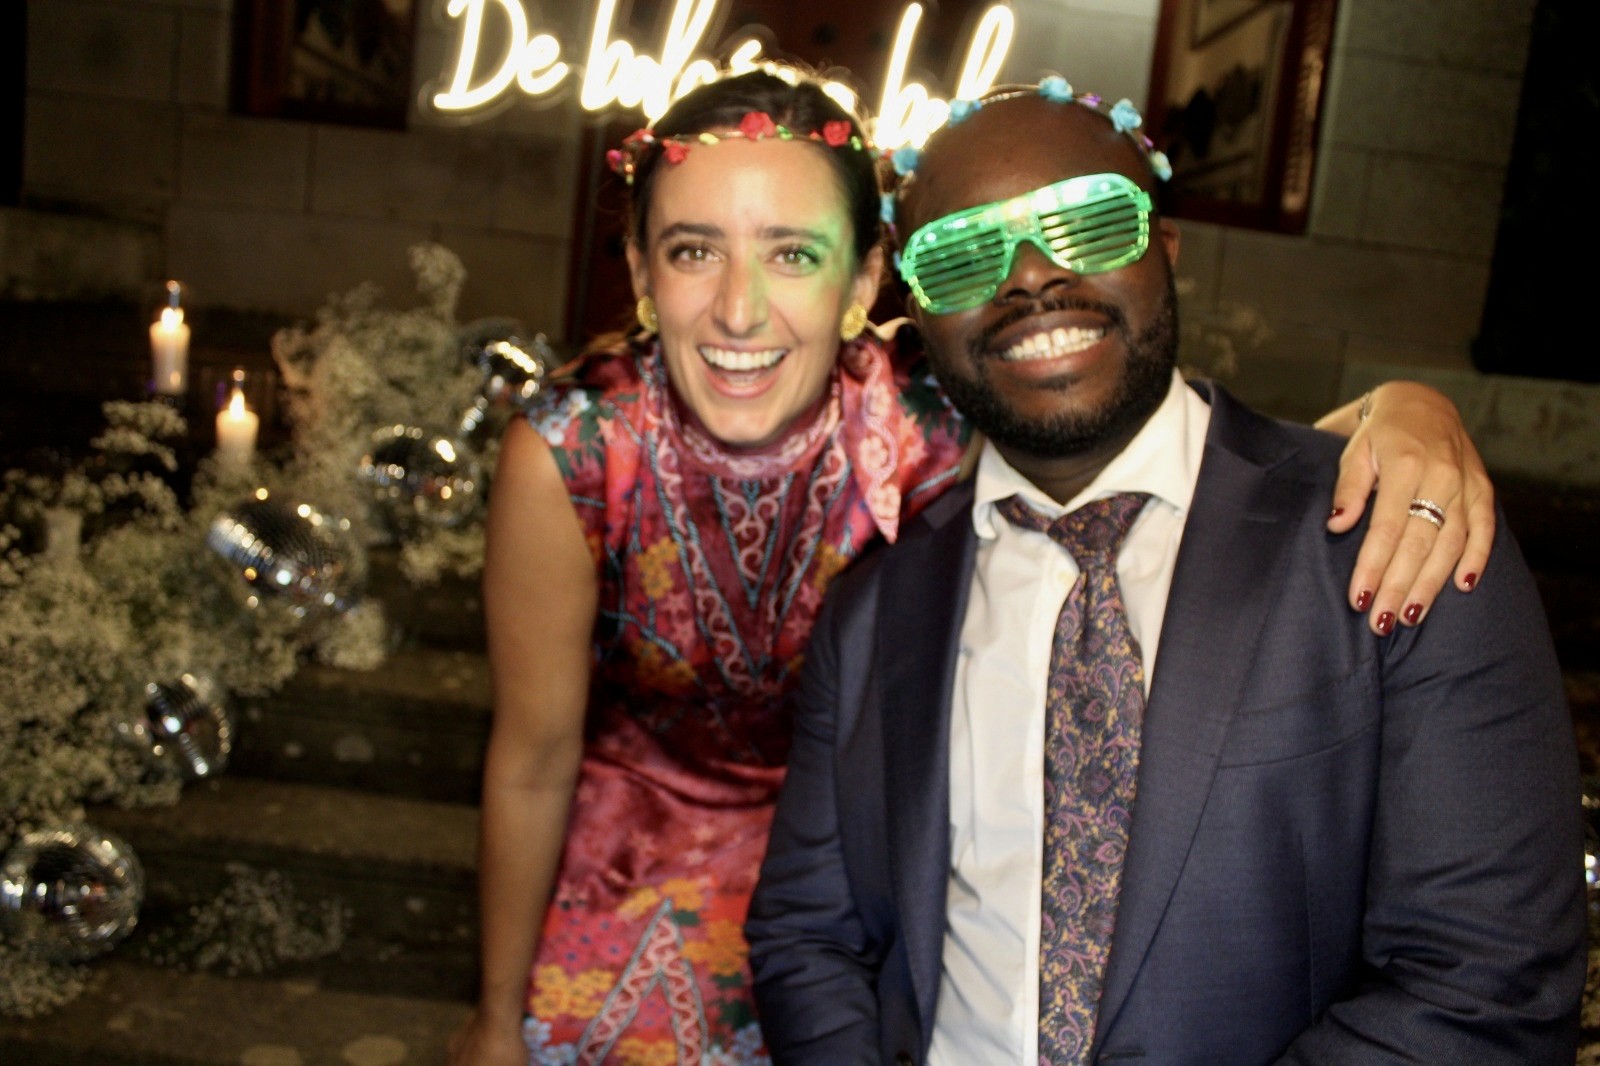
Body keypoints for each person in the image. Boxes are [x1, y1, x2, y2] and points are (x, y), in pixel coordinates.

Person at [449, 68, 1501, 1066]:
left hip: (873, 862)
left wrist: (1401, 410)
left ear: (868, 280)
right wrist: (495, 1018)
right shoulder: (579, 448)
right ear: (638, 273)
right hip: (640, 860)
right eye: (690, 251)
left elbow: (1167, 444)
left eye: (792, 252)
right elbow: (533, 754)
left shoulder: (932, 402)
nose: (738, 309)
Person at [745, 84, 1584, 1065]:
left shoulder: (1391, 528)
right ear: (917, 313)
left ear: (1166, 246)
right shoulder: (875, 606)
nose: (1030, 278)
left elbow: (1489, 986)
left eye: (1089, 222)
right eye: (964, 253)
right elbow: (810, 934)